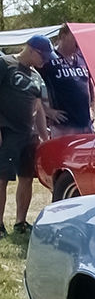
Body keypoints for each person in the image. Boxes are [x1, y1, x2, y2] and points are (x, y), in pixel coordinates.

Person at [1, 37, 50, 235]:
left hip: (28, 135)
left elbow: (38, 108)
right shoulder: (5, 64)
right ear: (31, 49)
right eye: (42, 56)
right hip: (7, 131)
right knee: (2, 178)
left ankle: (20, 223)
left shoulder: (36, 76)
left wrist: (44, 137)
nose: (45, 61)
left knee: (27, 177)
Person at [38, 27, 94, 135]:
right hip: (63, 125)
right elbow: (31, 85)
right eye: (75, 38)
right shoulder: (49, 59)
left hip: (86, 123)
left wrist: (92, 107)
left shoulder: (82, 58)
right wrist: (47, 111)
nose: (78, 43)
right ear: (63, 37)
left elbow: (90, 83)